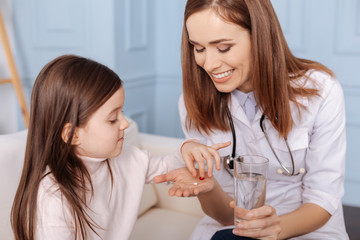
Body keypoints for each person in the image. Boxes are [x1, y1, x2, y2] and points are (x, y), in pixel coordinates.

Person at [155, 0, 349, 239]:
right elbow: (227, 216)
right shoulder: (192, 101)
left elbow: (323, 199)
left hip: (305, 226)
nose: (210, 64)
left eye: (223, 47)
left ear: (260, 36)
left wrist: (274, 229)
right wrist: (208, 189)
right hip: (233, 227)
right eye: (199, 48)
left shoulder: (321, 90)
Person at [10, 54, 229, 240]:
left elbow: (165, 168)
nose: (125, 123)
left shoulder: (124, 158)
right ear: (72, 134)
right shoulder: (53, 199)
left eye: (121, 112)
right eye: (113, 119)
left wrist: (187, 149)